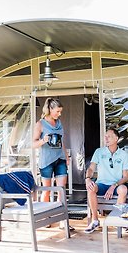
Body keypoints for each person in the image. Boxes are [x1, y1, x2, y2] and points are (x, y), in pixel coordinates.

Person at [33, 97, 73, 230]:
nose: (59, 114)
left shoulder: (59, 123)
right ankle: (45, 218)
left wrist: (66, 157)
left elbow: (62, 142)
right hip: (46, 161)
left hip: (60, 159)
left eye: (60, 112)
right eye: (57, 111)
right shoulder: (40, 124)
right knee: (47, 191)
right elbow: (33, 144)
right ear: (50, 109)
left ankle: (61, 219)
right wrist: (43, 140)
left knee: (61, 190)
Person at [84, 128, 128, 234]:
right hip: (101, 184)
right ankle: (95, 221)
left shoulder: (123, 155)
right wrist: (87, 179)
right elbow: (91, 168)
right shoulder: (99, 152)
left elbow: (125, 177)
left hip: (116, 185)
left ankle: (117, 220)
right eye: (105, 136)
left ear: (116, 139)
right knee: (91, 188)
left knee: (123, 189)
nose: (106, 138)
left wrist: (114, 185)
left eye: (109, 136)